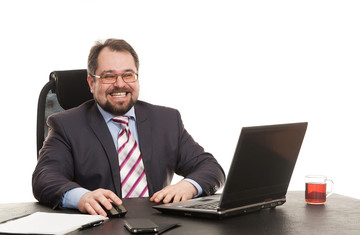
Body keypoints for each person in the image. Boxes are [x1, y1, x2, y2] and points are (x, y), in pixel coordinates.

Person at [32, 39, 225, 216]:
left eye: (128, 75)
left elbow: (211, 168)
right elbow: (45, 177)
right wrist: (82, 197)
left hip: (159, 227)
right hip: (100, 229)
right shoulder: (66, 125)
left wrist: (188, 186)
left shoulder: (166, 120)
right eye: (109, 76)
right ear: (92, 83)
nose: (120, 84)